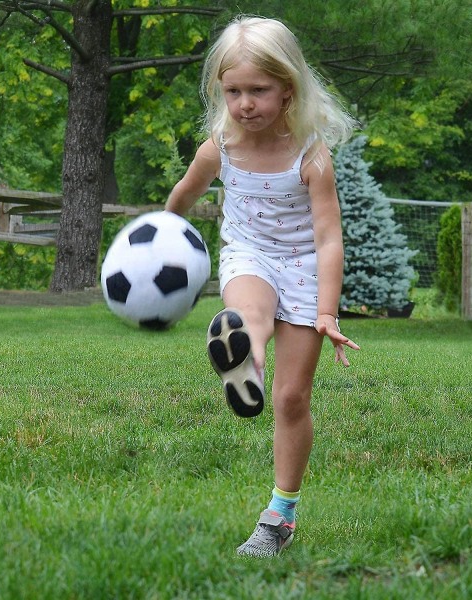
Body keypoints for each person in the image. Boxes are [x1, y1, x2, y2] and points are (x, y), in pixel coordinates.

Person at [165, 15, 360, 557]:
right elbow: (182, 197)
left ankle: (280, 515)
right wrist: (160, 234)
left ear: (288, 90)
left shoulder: (310, 155)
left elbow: (328, 240)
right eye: (233, 91)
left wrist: (327, 312)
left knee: (292, 399)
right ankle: (243, 355)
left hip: (304, 267)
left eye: (258, 91)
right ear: (220, 91)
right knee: (248, 314)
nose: (245, 104)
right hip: (249, 254)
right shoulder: (219, 147)